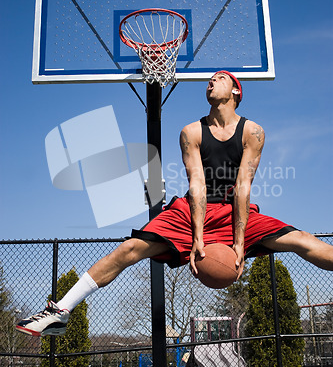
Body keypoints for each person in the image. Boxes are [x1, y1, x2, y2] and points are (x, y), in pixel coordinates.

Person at [16, 70, 333, 337]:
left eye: (219, 78)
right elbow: (196, 184)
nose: (210, 82)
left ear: (236, 90)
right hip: (194, 211)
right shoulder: (191, 132)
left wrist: (239, 244)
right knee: (129, 249)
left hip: (235, 211)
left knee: (302, 241)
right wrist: (197, 238)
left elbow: (243, 186)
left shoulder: (254, 131)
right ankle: (60, 311)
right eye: (208, 80)